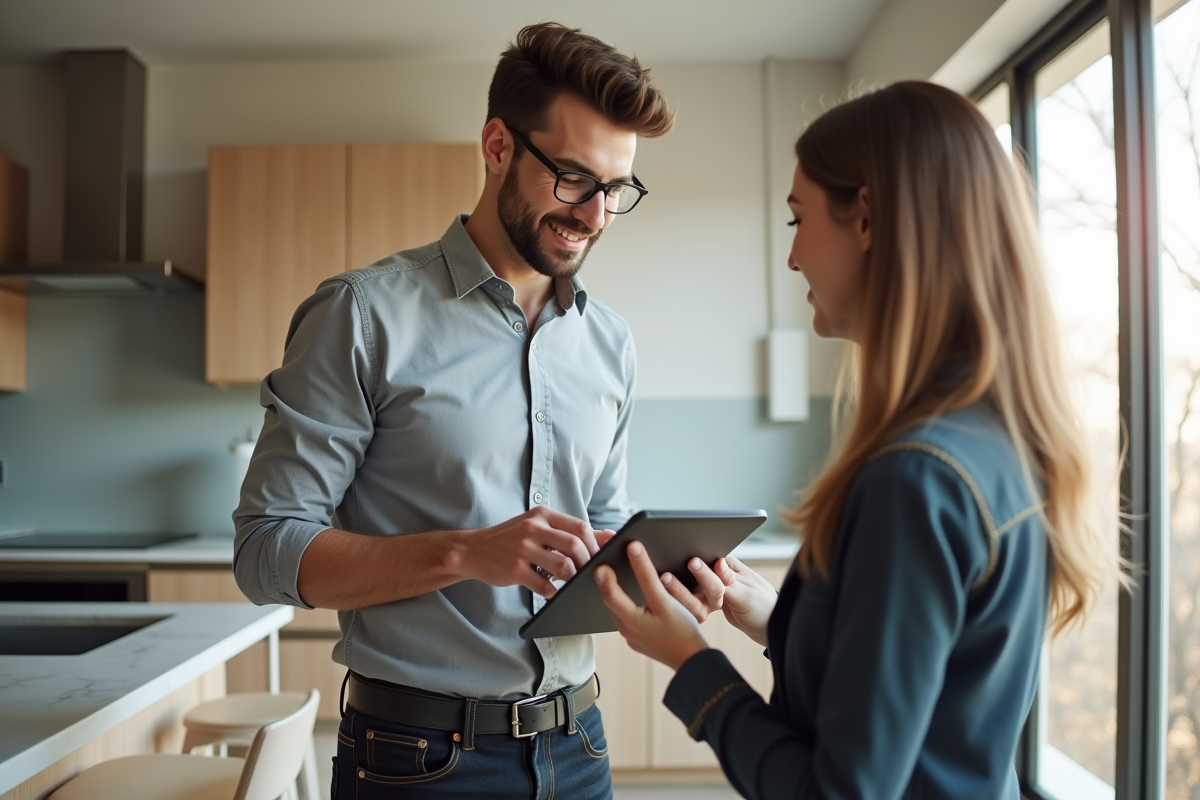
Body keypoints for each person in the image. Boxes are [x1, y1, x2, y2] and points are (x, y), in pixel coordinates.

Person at [596, 81, 1117, 799]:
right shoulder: (993, 442)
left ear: (865, 218)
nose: (793, 258)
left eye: (798, 221)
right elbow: (921, 699)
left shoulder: (916, 478)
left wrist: (690, 662)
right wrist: (777, 621)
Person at [232, 22, 676, 799]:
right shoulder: (362, 315)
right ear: (498, 145)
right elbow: (267, 548)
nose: (594, 215)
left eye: (615, 190)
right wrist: (465, 553)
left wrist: (649, 563)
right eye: (573, 178)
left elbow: (602, 523)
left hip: (580, 746)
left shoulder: (611, 343)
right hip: (419, 759)